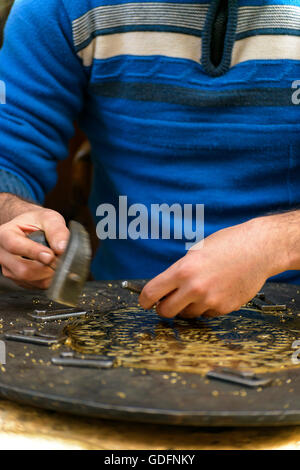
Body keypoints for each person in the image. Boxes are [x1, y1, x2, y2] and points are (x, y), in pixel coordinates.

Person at [0, 0, 299, 319]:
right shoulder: (60, 7)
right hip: (122, 308)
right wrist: (14, 217)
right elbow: (10, 154)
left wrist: (273, 244)